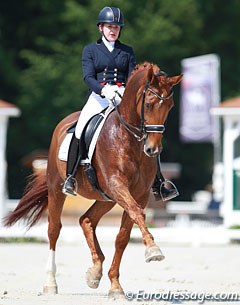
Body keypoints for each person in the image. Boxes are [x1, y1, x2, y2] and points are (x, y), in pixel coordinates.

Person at [62, 6, 179, 202]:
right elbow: (88, 77)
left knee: (146, 133)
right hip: (99, 97)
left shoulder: (127, 51)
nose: (113, 30)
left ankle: (158, 184)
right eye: (109, 26)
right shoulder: (90, 50)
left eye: (116, 27)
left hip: (122, 96)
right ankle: (71, 177)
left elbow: (132, 75)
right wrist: (103, 89)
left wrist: (124, 91)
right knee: (80, 129)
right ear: (101, 27)